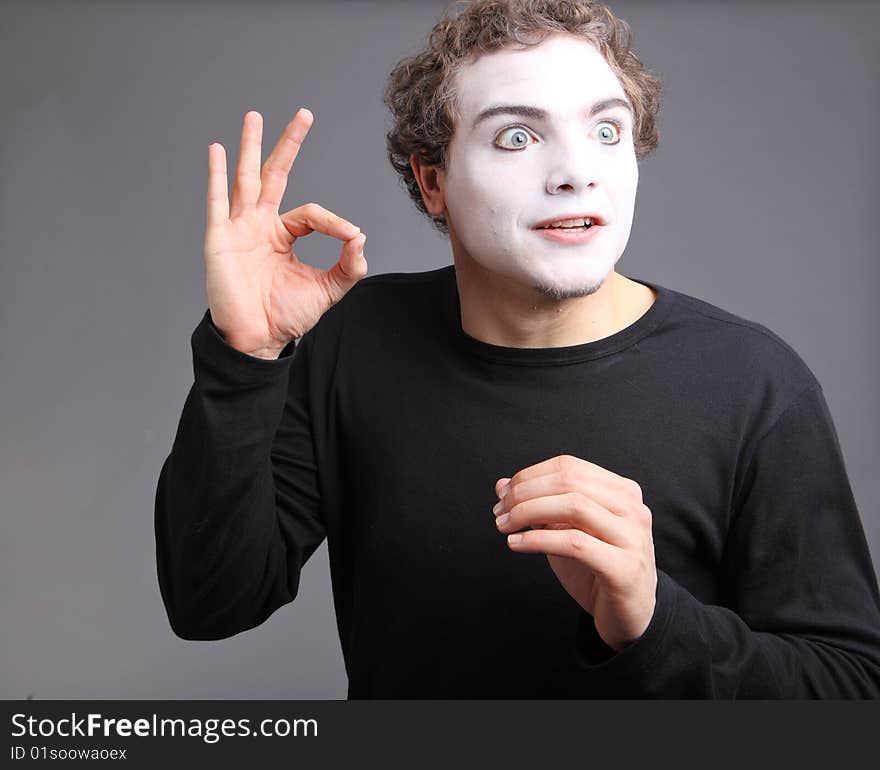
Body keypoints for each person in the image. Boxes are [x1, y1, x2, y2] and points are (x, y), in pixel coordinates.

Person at [154, 0, 880, 698]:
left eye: (606, 131)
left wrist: (655, 624)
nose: (575, 172)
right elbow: (210, 601)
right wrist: (243, 357)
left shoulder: (755, 386)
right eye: (516, 137)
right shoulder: (352, 340)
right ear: (431, 180)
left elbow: (852, 692)